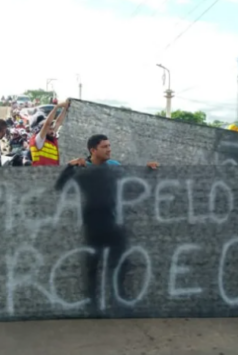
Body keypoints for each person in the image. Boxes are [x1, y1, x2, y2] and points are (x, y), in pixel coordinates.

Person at [57, 135, 157, 313]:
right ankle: (92, 305)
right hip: (92, 225)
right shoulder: (82, 168)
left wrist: (147, 169)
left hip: (113, 223)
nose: (109, 149)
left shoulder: (114, 166)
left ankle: (118, 301)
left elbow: (132, 178)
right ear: (93, 150)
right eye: (104, 147)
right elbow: (60, 186)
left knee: (121, 263)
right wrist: (69, 166)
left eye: (109, 146)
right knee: (92, 266)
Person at [29, 101, 69, 166]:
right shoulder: (39, 139)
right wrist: (56, 107)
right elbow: (47, 124)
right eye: (49, 128)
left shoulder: (50, 135)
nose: (52, 129)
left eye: (51, 127)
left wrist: (65, 108)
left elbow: (58, 122)